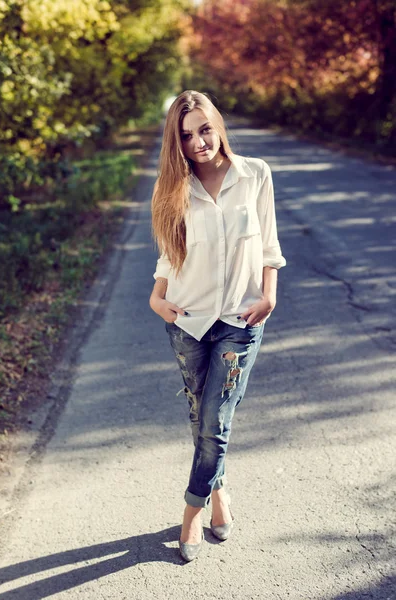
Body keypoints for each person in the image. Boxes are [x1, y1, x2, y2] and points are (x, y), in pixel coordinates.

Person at [149, 90, 286, 562]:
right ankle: (220, 492)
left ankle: (191, 511)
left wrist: (269, 293)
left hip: (240, 319)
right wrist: (156, 295)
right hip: (186, 318)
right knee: (200, 415)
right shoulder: (173, 187)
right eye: (186, 136)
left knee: (216, 420)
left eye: (204, 128)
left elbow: (269, 244)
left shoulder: (255, 175)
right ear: (178, 143)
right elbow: (169, 253)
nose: (198, 141)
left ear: (218, 124)